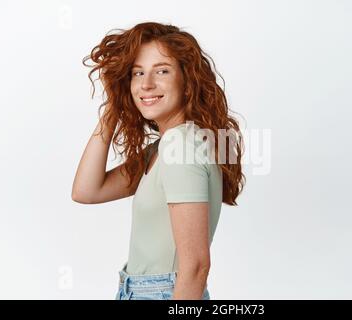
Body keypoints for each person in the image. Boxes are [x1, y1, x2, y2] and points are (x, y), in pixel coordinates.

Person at [72, 22, 245, 300]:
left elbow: (196, 266)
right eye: (137, 73)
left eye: (162, 70)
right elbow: (86, 191)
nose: (146, 84)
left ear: (187, 80)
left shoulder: (181, 146)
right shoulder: (165, 147)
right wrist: (113, 109)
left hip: (161, 293)